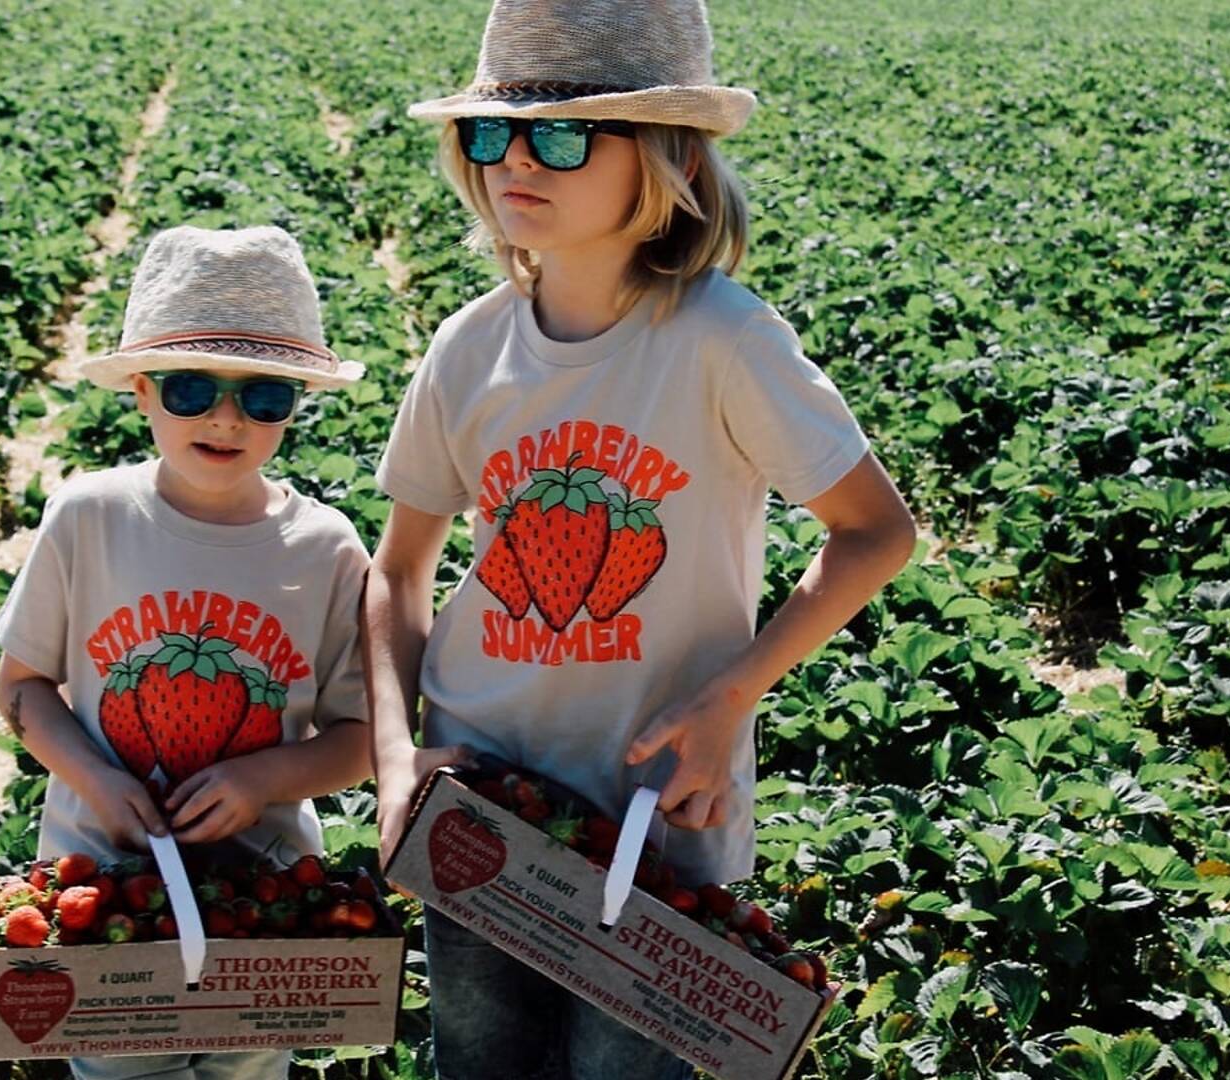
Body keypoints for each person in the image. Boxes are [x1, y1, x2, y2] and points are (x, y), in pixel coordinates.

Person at [363, 1, 917, 1076]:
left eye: (564, 135)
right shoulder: (469, 348)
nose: (516, 159)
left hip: (652, 812)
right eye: (491, 133)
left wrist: (730, 697)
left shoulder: (724, 340)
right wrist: (394, 767)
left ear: (664, 158)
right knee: (480, 1062)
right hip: (479, 788)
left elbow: (875, 534)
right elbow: (397, 575)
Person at [0, 224, 374, 1080]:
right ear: (140, 390)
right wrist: (102, 781)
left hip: (262, 895)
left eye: (265, 396)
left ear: (298, 402)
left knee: (247, 1070)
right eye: (192, 386)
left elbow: (360, 736)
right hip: (105, 882)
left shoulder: (325, 549)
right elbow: (22, 687)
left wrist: (261, 781)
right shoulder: (89, 519)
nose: (226, 418)